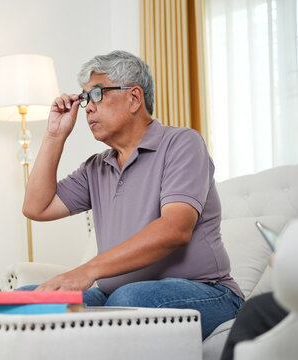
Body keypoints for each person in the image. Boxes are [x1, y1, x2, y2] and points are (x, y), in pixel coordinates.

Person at [21, 50, 244, 340]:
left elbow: (174, 230)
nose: (87, 107)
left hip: (207, 294)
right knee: (27, 302)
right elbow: (36, 207)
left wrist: (88, 271)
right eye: (85, 98)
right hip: (115, 297)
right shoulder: (96, 167)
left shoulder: (182, 143)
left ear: (134, 98)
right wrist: (54, 136)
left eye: (97, 94)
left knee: (127, 302)